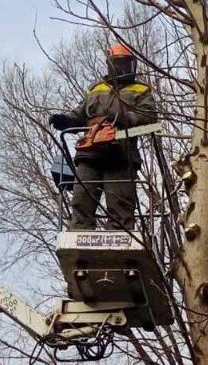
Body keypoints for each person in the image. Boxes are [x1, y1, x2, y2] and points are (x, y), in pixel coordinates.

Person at [49, 43, 157, 230]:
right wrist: (65, 121)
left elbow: (150, 117)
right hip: (90, 153)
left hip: (122, 155)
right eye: (120, 63)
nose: (124, 67)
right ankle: (80, 232)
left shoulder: (141, 91)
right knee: (82, 197)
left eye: (127, 63)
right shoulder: (96, 89)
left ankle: (121, 236)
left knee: (120, 202)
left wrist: (126, 117)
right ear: (111, 64)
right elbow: (79, 116)